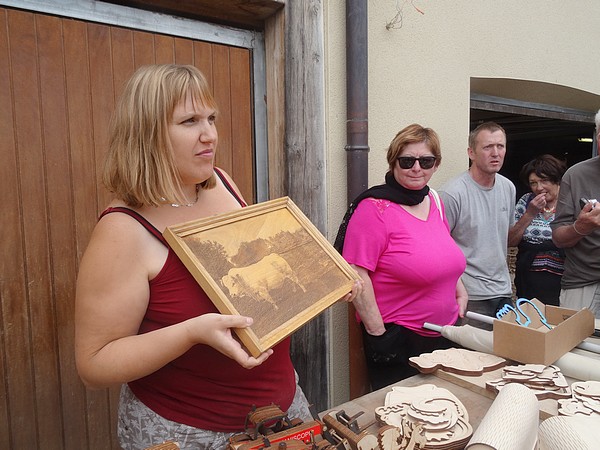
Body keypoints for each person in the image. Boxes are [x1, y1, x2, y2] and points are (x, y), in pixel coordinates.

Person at [74, 64, 361, 450]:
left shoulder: (222, 183)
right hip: (189, 432)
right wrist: (192, 333)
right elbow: (94, 364)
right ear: (146, 134)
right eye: (190, 121)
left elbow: (251, 270)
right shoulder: (122, 230)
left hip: (283, 412)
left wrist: (325, 279)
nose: (209, 135)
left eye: (211, 118)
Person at [337, 123, 468, 391]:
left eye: (426, 161)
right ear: (393, 162)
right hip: (401, 342)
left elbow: (443, 253)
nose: (417, 168)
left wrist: (460, 293)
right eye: (407, 161)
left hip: (446, 334)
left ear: (436, 164)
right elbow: (356, 274)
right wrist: (379, 335)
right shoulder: (374, 209)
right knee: (406, 422)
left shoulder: (434, 201)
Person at [440, 122, 516, 328]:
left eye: (500, 146)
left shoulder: (508, 187)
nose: (495, 153)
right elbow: (440, 247)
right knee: (470, 357)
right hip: (470, 294)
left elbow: (507, 238)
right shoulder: (452, 193)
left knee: (504, 355)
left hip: (503, 291)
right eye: (487, 147)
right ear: (471, 153)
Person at [551, 108, 600, 318]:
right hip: (582, 282)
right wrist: (580, 228)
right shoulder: (576, 175)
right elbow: (558, 238)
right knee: (574, 349)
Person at [508, 155, 567, 306]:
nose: (539, 188)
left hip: (562, 281)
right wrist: (530, 213)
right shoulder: (526, 201)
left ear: (557, 179)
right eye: (533, 183)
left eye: (544, 181)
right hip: (528, 280)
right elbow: (511, 241)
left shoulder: (569, 202)